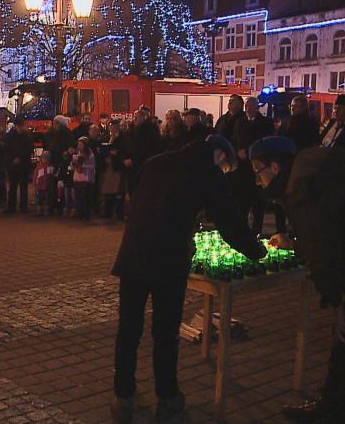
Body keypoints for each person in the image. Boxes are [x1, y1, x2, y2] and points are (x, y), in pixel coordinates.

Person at [110, 135, 266, 424]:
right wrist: (258, 251)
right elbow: (229, 221)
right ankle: (168, 398)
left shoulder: (157, 162)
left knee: (129, 329)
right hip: (168, 259)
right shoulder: (207, 172)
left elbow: (139, 199)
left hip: (133, 253)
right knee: (165, 333)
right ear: (220, 155)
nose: (223, 171)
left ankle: (122, 396)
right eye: (225, 166)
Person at [248, 136, 345, 423]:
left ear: (276, 166)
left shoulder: (300, 187)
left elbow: (323, 250)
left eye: (259, 170)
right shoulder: (316, 169)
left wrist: (337, 301)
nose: (258, 180)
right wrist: (295, 242)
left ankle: (332, 410)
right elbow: (330, 225)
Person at [231, 97, 275, 236]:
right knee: (242, 200)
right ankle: (242, 230)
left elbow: (265, 142)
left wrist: (250, 150)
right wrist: (238, 150)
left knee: (258, 201)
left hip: (258, 166)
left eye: (251, 106)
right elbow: (235, 139)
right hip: (243, 167)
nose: (248, 109)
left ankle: (257, 230)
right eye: (247, 106)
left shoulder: (265, 123)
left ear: (257, 107)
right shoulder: (240, 122)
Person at [4, 117, 34, 214]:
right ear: (16, 126)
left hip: (23, 164)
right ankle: (11, 207)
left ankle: (23, 207)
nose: (22, 128)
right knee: (12, 186)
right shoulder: (9, 136)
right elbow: (7, 149)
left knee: (23, 186)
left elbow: (29, 149)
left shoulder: (27, 136)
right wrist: (13, 158)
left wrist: (20, 158)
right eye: (20, 126)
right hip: (13, 164)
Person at [72, 136, 96, 220]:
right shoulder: (77, 154)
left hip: (86, 178)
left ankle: (86, 214)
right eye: (78, 144)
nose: (79, 146)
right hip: (78, 177)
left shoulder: (90, 155)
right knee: (78, 196)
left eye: (81, 144)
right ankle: (79, 213)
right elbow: (73, 166)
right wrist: (74, 164)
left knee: (85, 197)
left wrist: (82, 165)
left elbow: (92, 166)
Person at [32, 151, 54, 216]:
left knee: (47, 199)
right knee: (39, 199)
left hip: (47, 186)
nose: (45, 159)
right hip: (40, 186)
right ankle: (39, 211)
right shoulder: (38, 167)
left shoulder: (50, 167)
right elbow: (35, 176)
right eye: (43, 158)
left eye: (46, 158)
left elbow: (51, 177)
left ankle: (46, 211)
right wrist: (34, 185)